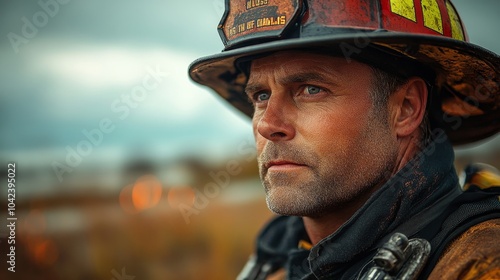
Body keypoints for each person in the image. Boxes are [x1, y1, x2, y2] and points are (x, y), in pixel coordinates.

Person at [189, 0, 500, 279]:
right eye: (261, 95)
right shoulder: (276, 260)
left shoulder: (480, 263)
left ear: (406, 109)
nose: (268, 124)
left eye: (311, 89)